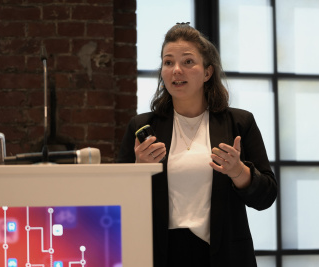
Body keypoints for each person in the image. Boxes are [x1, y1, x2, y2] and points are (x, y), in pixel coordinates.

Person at [117, 23, 277, 267]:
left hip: (223, 255)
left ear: (207, 73)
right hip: (159, 253)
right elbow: (119, 203)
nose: (176, 70)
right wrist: (139, 168)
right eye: (168, 62)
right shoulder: (141, 127)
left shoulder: (239, 123)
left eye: (188, 62)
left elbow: (266, 197)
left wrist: (238, 171)